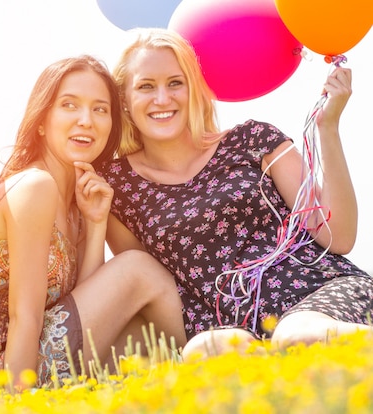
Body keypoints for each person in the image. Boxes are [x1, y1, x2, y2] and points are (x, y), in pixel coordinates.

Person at [98, 28, 373, 359]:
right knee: (205, 351)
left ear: (195, 90)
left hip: (322, 292)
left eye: (175, 82)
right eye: (145, 86)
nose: (162, 99)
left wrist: (327, 128)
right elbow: (150, 285)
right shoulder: (118, 187)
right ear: (124, 101)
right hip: (233, 326)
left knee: (297, 335)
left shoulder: (252, 139)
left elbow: (337, 236)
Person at [0, 55, 186, 392]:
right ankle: (239, 358)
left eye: (100, 109)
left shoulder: (76, 201)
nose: (86, 121)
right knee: (138, 269)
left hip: (32, 357)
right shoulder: (35, 186)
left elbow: (85, 305)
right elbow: (25, 318)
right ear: (42, 120)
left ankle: (226, 367)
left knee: (142, 332)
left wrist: (95, 224)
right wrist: (17, 405)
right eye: (70, 105)